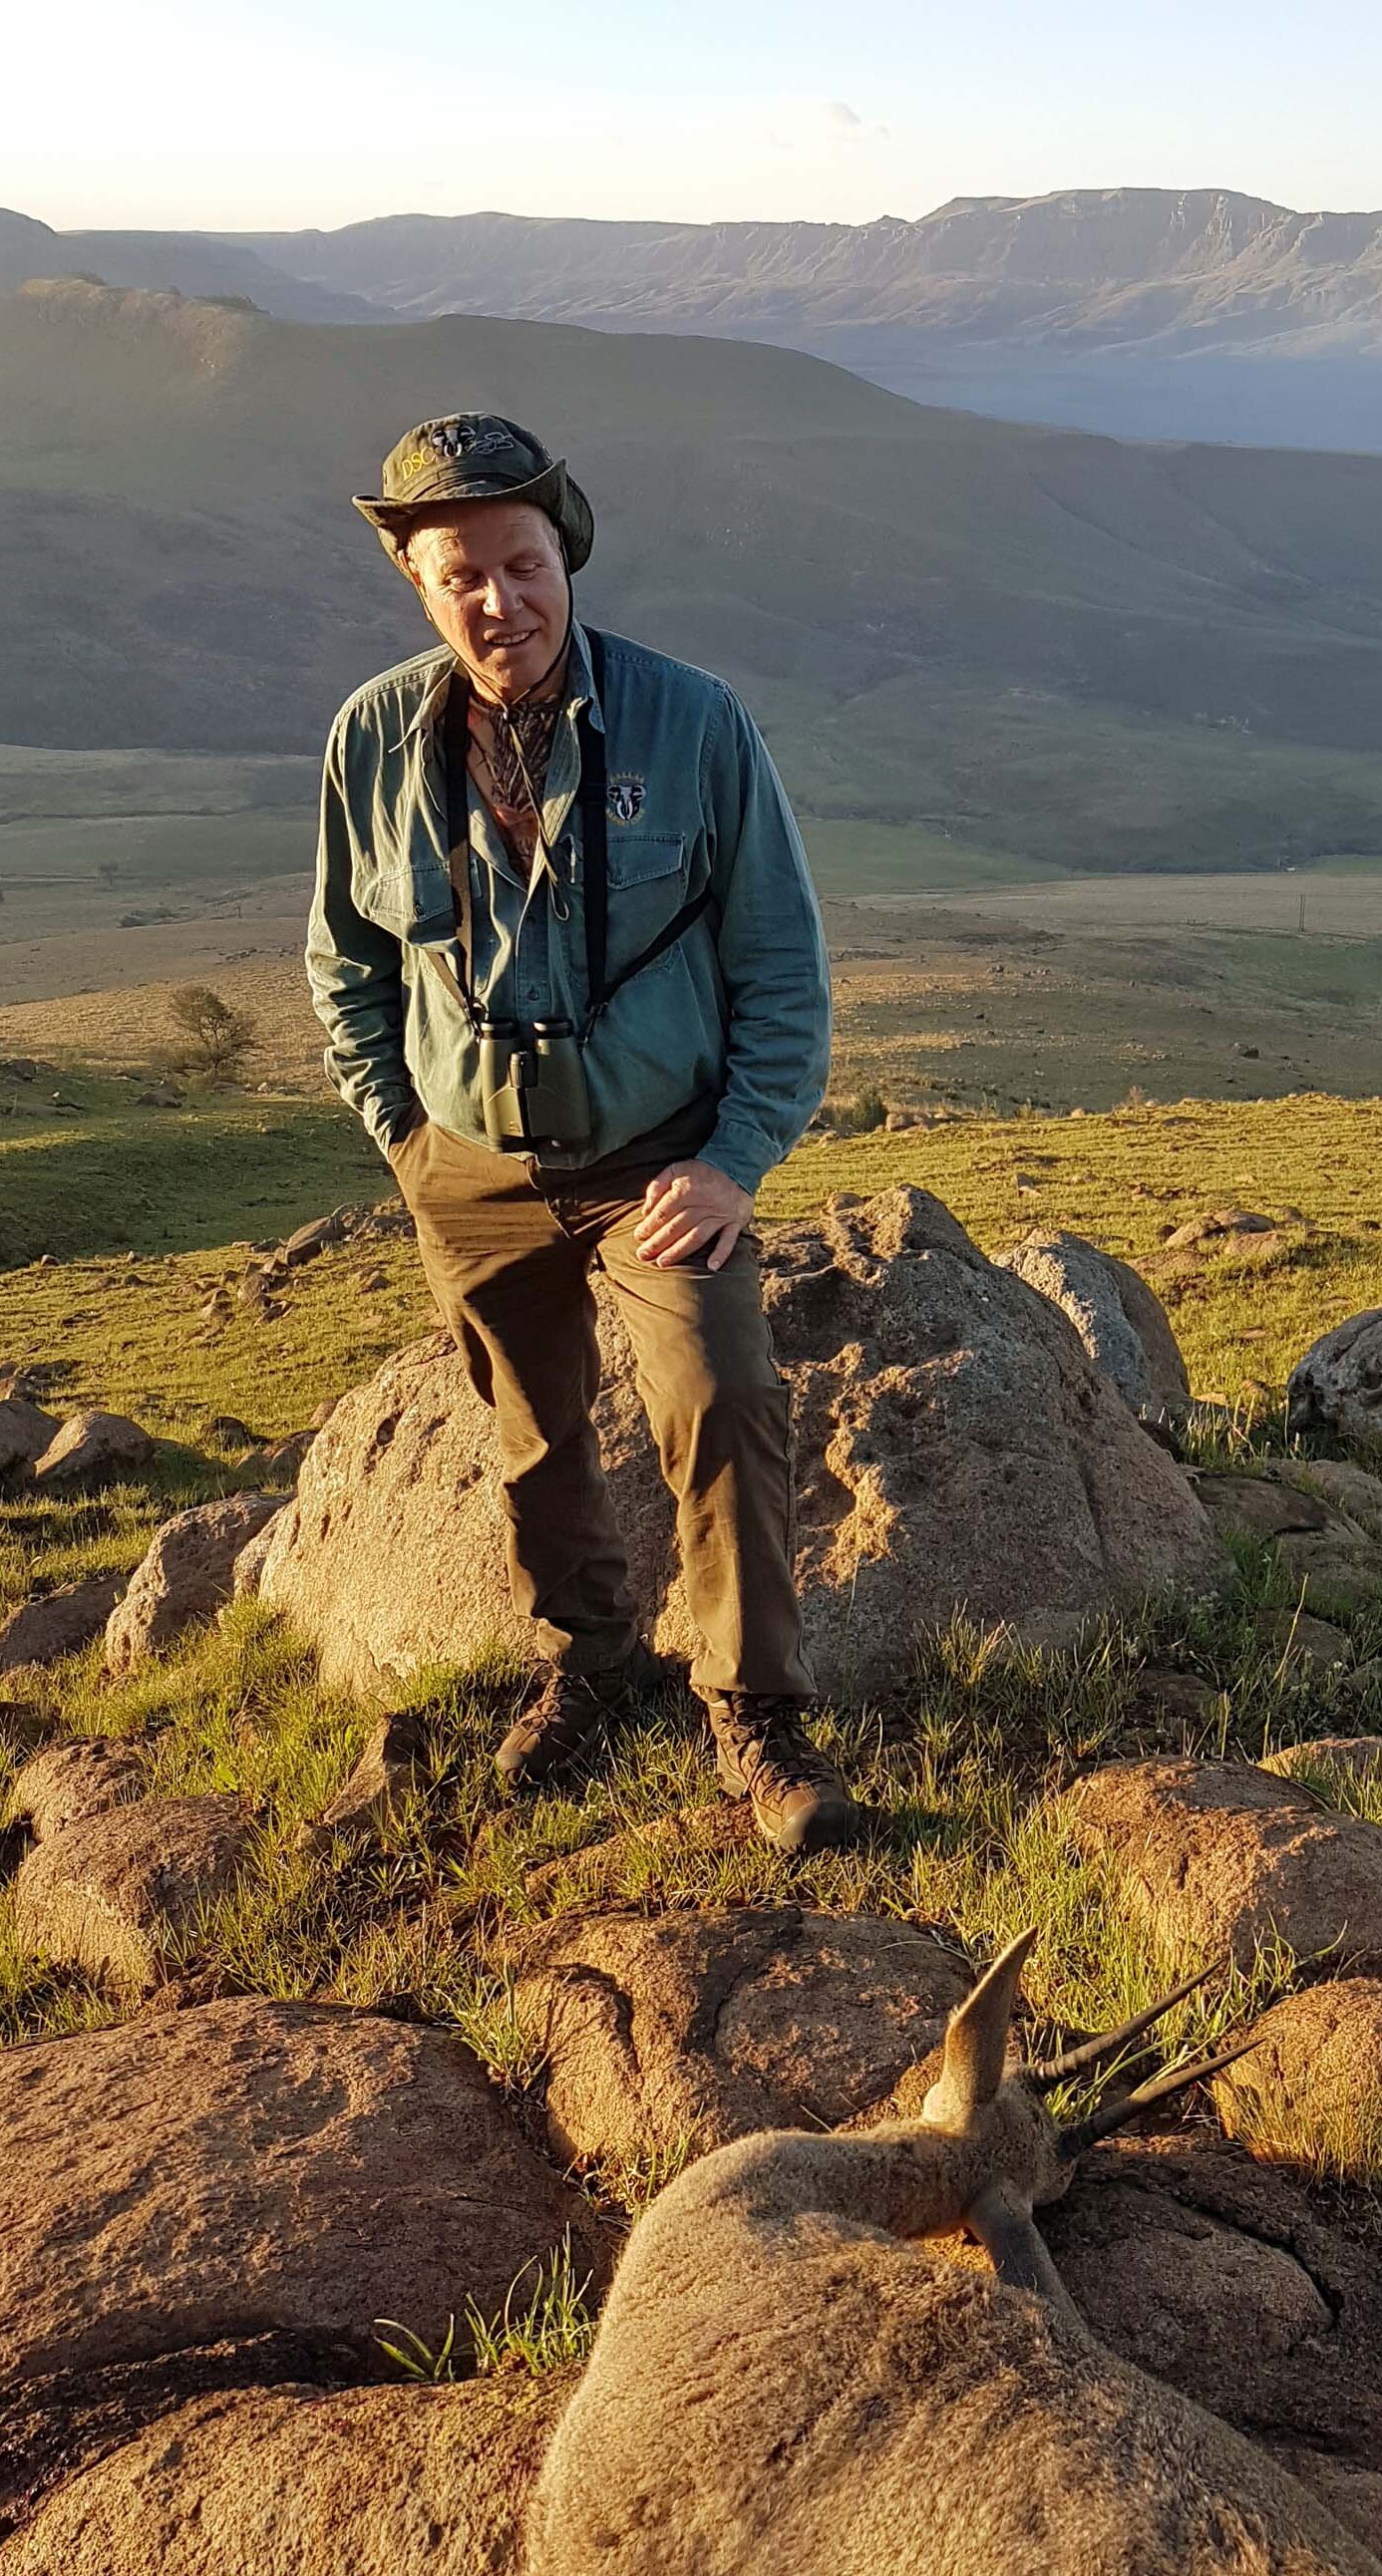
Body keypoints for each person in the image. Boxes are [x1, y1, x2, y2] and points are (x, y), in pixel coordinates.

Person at [304, 411, 855, 1850]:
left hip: (656, 1159)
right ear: (419, 589)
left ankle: (757, 1716)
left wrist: (732, 1163)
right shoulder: (371, 740)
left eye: (522, 562)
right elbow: (343, 958)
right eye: (461, 576)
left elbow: (782, 968)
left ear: (568, 555)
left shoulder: (696, 724)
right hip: (470, 1171)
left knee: (718, 1393)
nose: (500, 600)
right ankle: (591, 1665)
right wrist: (404, 1135)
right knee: (534, 1435)